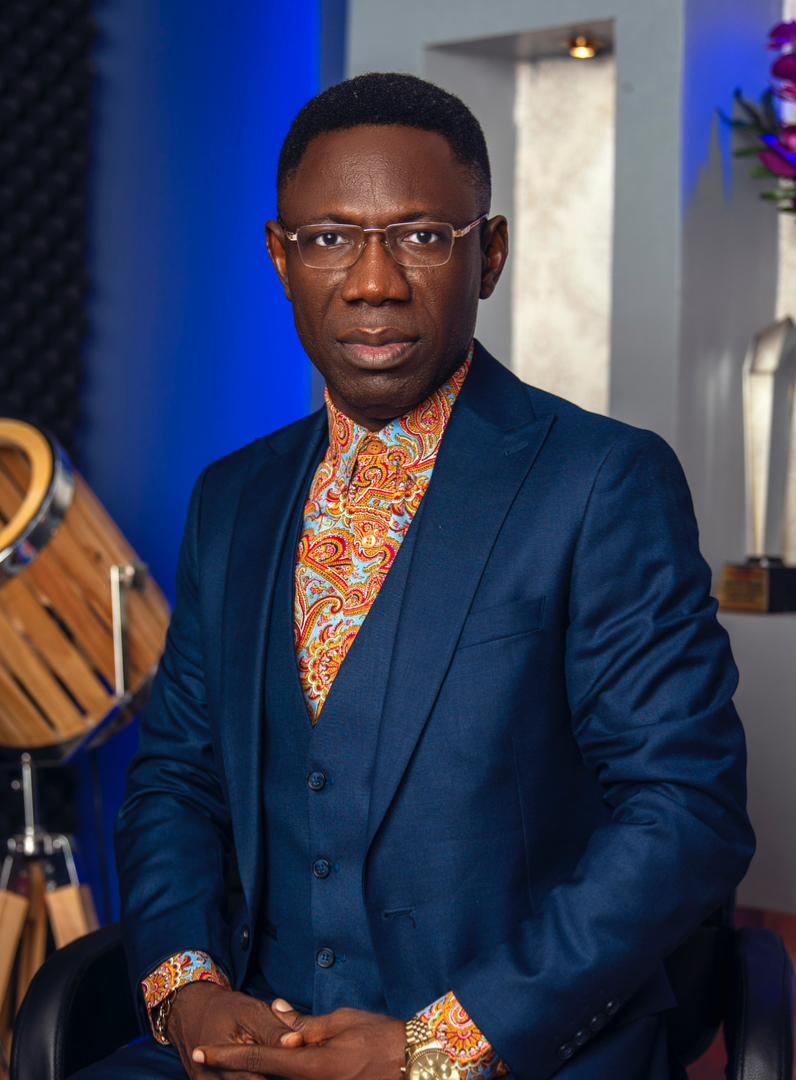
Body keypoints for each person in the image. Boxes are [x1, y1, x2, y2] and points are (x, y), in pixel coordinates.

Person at [72, 72, 755, 1080]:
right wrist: (191, 993)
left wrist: (435, 1047)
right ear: (281, 257)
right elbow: (177, 780)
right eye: (329, 238)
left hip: (509, 1052)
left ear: (490, 254)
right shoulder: (232, 498)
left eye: (423, 235)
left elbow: (685, 811)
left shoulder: (602, 481)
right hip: (255, 1042)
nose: (373, 282)